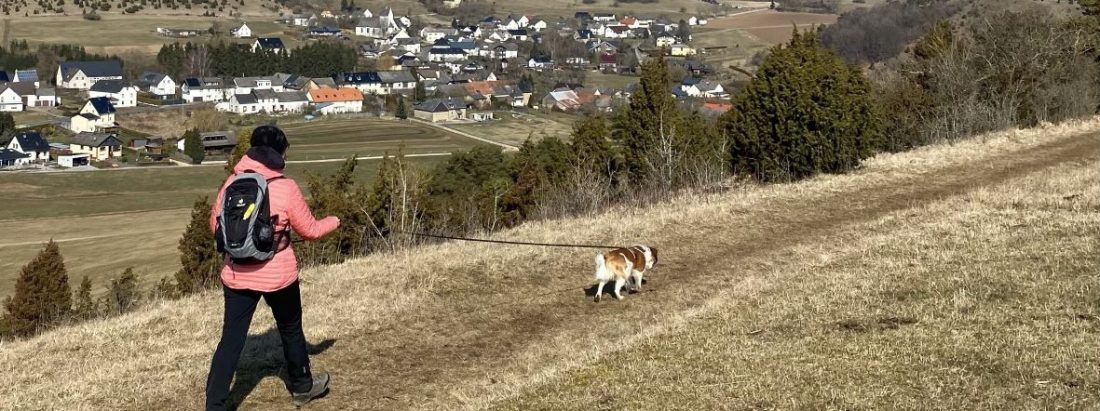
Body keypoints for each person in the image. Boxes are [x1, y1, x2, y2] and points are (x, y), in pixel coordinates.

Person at [205, 125, 340, 410]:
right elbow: (311, 230)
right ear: (279, 153)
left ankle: (214, 405)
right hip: (279, 274)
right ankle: (302, 386)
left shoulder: (232, 183)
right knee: (290, 328)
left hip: (236, 273)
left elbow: (215, 225)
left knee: (230, 341)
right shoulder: (285, 186)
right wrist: (335, 221)